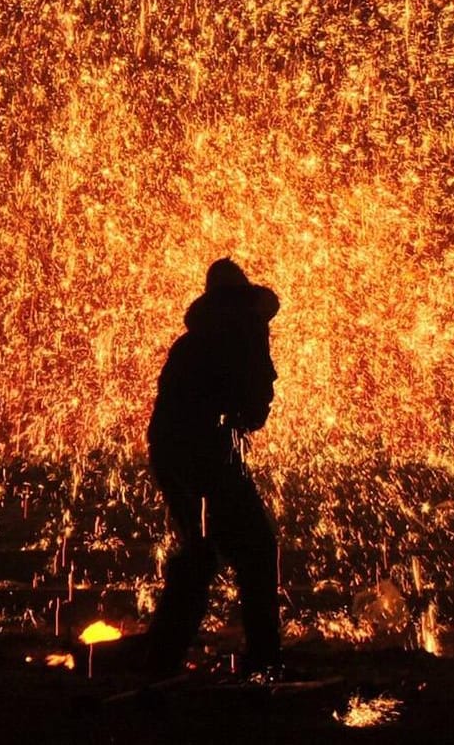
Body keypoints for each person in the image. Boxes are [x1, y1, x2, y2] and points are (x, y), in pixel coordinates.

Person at [143, 257, 283, 679]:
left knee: (200, 553)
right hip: (206, 457)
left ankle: (161, 656)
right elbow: (254, 407)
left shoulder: (197, 339)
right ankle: (263, 661)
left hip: (177, 454)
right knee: (256, 550)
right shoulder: (244, 330)